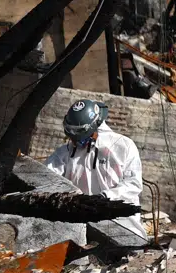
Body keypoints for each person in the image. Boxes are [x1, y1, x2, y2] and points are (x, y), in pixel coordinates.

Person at [45, 100, 146, 238]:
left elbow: (133, 184)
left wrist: (105, 198)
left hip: (120, 223)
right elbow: (48, 177)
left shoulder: (123, 146)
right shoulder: (65, 152)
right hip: (79, 223)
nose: (74, 142)